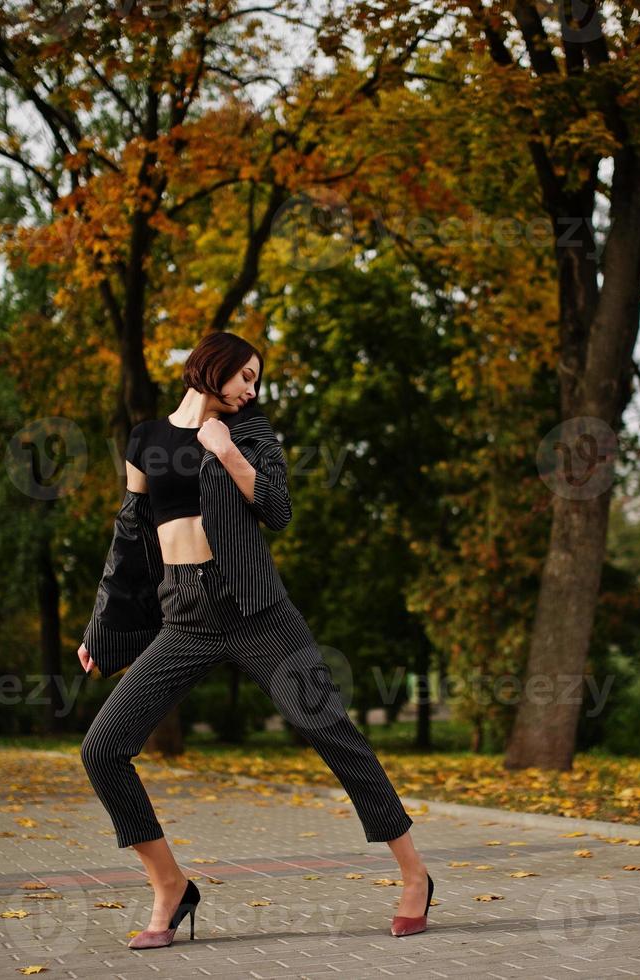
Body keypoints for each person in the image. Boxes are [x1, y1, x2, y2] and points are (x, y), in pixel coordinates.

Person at [78, 332, 434, 948]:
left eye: (255, 381)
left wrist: (226, 451)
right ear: (210, 368)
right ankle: (170, 885)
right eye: (245, 376)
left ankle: (414, 873)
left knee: (330, 728)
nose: (251, 389)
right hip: (184, 617)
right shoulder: (146, 439)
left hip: (257, 612)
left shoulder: (251, 434)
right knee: (103, 747)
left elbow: (278, 510)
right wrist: (102, 627)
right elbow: (130, 540)